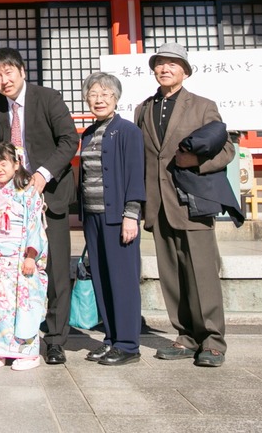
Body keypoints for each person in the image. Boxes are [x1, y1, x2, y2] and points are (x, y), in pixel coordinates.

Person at [133, 43, 235, 368]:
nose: (165, 69)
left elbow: (227, 149)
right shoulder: (143, 109)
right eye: (160, 64)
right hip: (158, 203)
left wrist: (197, 162)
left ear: (185, 71)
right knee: (171, 275)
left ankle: (213, 341)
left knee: (202, 273)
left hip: (192, 201)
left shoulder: (203, 106)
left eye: (172, 64)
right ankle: (186, 336)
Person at [0, 47, 80, 365]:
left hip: (50, 196)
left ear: (22, 71)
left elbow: (69, 140)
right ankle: (14, 337)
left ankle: (55, 339)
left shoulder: (48, 98)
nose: (3, 80)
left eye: (8, 72)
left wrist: (42, 174)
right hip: (11, 206)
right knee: (14, 274)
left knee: (55, 270)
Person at [77, 72, 146, 366]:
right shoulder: (88, 134)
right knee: (102, 280)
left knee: (123, 280)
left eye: (105, 94)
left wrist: (131, 214)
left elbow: (135, 175)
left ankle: (128, 344)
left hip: (118, 218)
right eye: (93, 94)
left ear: (116, 98)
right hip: (93, 217)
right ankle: (111, 339)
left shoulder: (128, 131)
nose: (99, 99)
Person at [0, 141, 48, 372]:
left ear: (16, 164)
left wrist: (31, 256)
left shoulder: (27, 191)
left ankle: (28, 353)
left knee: (23, 305)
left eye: (4, 164)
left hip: (20, 256)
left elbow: (34, 225)